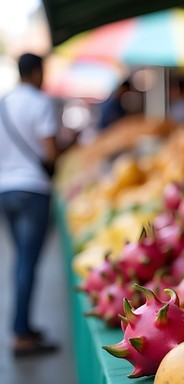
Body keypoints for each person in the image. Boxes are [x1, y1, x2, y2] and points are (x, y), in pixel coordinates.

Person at [0, 53, 75, 357]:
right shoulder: (41, 103)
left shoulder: (3, 103)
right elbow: (51, 153)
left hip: (5, 190)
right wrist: (69, 142)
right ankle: (21, 334)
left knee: (20, 260)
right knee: (27, 263)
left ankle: (23, 326)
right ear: (35, 72)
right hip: (34, 191)